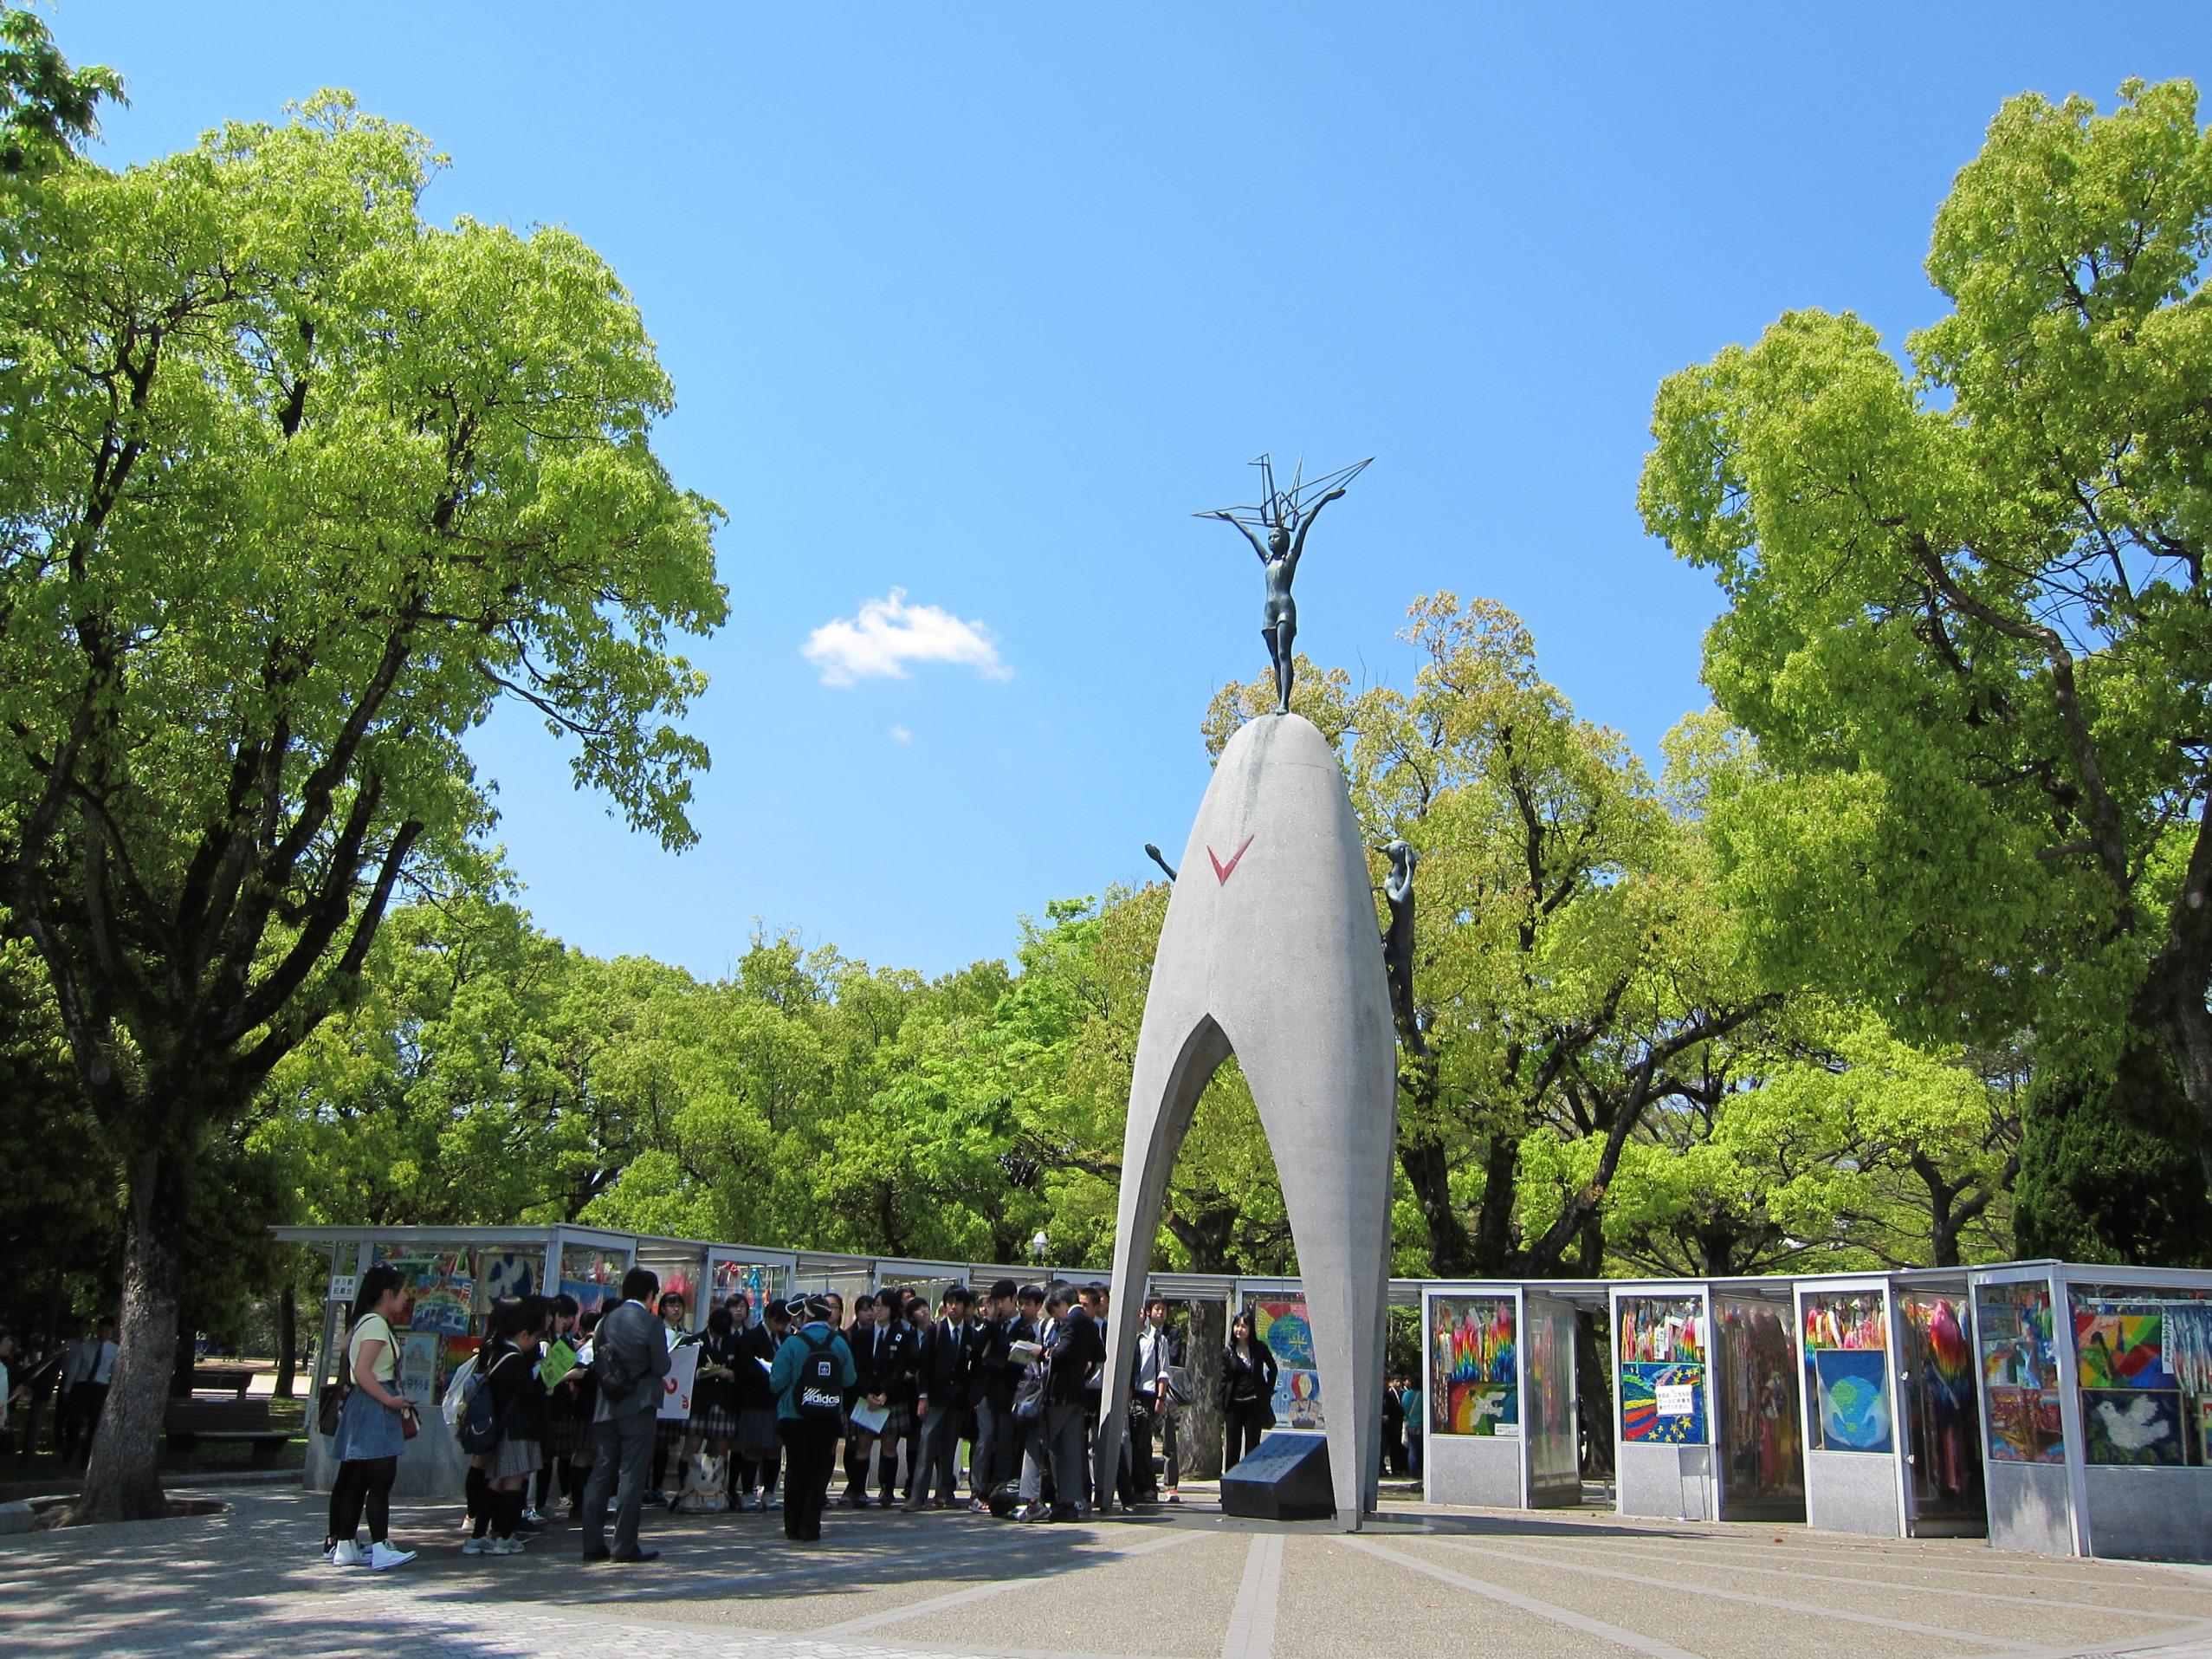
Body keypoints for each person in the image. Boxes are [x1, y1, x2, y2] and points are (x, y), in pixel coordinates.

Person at [325, 1266, 419, 1570]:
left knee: (356, 1480)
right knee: (380, 1480)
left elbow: (346, 1348)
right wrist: (389, 1399)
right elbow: (364, 1371)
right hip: (375, 1408)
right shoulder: (376, 1325)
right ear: (388, 1294)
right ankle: (381, 1546)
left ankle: (345, 1545)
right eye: (403, 1292)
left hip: (360, 1408)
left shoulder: (364, 1321)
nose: (406, 1299)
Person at [579, 1267, 672, 1564]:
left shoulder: (606, 1320)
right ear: (650, 1294)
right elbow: (662, 1366)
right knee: (631, 1473)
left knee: (602, 1471)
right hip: (639, 1403)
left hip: (607, 1404)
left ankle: (592, 1542)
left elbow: (598, 1354)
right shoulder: (651, 1323)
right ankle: (624, 1545)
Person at [467, 1295, 552, 1557]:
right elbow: (530, 1392)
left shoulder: (497, 1353)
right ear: (524, 1334)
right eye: (535, 1338)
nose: (535, 1344)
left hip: (503, 1427)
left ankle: (478, 1536)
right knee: (513, 1482)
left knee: (495, 1481)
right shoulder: (515, 1360)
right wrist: (549, 1374)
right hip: (517, 1428)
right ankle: (504, 1536)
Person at [767, 1295, 856, 1543]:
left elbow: (776, 1382)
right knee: (819, 1472)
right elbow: (849, 1380)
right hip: (827, 1416)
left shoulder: (793, 1344)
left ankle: (792, 1526)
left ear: (804, 1316)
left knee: (796, 1470)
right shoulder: (839, 1343)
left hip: (794, 1416)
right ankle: (811, 1527)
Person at [1016, 1284, 1100, 1523]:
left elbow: (1061, 1352)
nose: (1055, 1317)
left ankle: (1032, 1501)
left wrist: (1042, 1351)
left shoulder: (1073, 1320)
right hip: (1077, 1397)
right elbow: (1100, 1354)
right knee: (1069, 1449)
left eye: (1054, 1311)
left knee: (1036, 1440)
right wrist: (1083, 1368)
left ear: (1062, 1304)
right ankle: (1068, 1503)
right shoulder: (1090, 1323)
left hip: (1058, 1395)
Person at [909, 1284, 979, 1511]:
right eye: (950, 1302)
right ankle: (917, 1496)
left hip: (958, 1400)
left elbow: (973, 1368)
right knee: (927, 1444)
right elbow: (925, 1365)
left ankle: (944, 1494)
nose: (953, 1307)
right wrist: (923, 1395)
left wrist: (969, 1397)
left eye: (958, 1303)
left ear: (966, 1307)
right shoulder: (935, 1330)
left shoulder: (971, 1334)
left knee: (949, 1447)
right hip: (936, 1397)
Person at [844, 1291, 909, 1507]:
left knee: (889, 1444)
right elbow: (857, 1368)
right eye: (875, 1306)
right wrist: (867, 1394)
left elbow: (899, 1370)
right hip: (866, 1397)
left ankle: (887, 1489)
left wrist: (885, 1394)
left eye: (882, 1306)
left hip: (890, 1398)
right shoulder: (862, 1334)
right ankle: (858, 1490)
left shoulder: (901, 1335)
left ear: (892, 1309)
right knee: (863, 1444)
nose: (878, 1310)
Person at [971, 1280, 1023, 1505]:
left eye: (1002, 1301)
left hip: (1010, 1394)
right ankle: (978, 1487)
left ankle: (1001, 1490)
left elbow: (1015, 1363)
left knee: (1004, 1442)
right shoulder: (995, 1325)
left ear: (1014, 1299)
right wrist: (990, 1322)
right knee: (985, 1438)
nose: (999, 1306)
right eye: (995, 1301)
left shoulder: (1024, 1327)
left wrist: (990, 1361)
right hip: (988, 1392)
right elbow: (976, 1353)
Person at [732, 1298, 787, 1510]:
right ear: (768, 1317)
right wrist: (769, 1376)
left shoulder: (786, 1338)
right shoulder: (751, 1337)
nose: (781, 1326)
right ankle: (747, 1492)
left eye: (784, 1322)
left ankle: (770, 1492)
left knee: (774, 1448)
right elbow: (745, 1367)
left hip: (777, 1401)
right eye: (777, 1321)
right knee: (754, 1448)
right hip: (756, 1399)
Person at [1132, 1294, 1182, 1503]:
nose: (1160, 1312)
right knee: (1136, 1442)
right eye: (1156, 1308)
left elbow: (1164, 1371)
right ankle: (1138, 1485)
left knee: (1149, 1440)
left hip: (1152, 1395)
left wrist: (1160, 1398)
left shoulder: (1161, 1339)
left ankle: (1151, 1486)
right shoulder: (1134, 1337)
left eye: (1163, 1309)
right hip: (1133, 1393)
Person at [644, 1290, 692, 1507]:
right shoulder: (655, 1329)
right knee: (648, 1444)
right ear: (662, 1308)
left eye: (679, 1306)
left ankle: (657, 1486)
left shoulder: (684, 1333)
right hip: (655, 1390)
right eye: (671, 1305)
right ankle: (644, 1487)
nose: (676, 1309)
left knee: (664, 1445)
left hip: (673, 1396)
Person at [1219, 1309, 1277, 1471]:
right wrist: (1221, 1406)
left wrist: (1267, 1390)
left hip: (1254, 1403)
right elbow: (1223, 1380)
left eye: (1244, 1326)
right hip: (1234, 1405)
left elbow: (1273, 1368)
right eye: (1237, 1325)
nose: (1240, 1329)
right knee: (1232, 1446)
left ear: (1251, 1329)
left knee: (1253, 1444)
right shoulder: (1228, 1352)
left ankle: (1252, 1482)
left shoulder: (1259, 1348)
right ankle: (1230, 1484)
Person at [73, 1319, 117, 1468]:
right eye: (102, 1330)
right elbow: (75, 1367)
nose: (104, 1334)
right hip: (83, 1384)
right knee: (76, 1420)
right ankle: (71, 1447)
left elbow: (114, 1370)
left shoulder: (115, 1350)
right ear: (97, 1331)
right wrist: (67, 1387)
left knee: (94, 1423)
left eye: (107, 1331)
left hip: (100, 1387)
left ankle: (86, 1458)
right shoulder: (86, 1346)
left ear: (111, 1333)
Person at [54, 1320, 94, 1461]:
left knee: (75, 1412)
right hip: (67, 1375)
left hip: (81, 1381)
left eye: (86, 1327)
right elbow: (59, 1358)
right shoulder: (69, 1344)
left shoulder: (90, 1346)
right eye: (81, 1327)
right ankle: (58, 1437)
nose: (83, 1329)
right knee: (61, 1410)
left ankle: (72, 1439)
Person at [1381, 1372, 1407, 1477]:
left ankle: (1395, 1468)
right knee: (1384, 1448)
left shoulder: (1393, 1394)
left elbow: (1397, 1407)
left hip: (1393, 1425)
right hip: (1387, 1425)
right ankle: (1383, 1468)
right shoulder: (1388, 1394)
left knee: (1394, 1448)